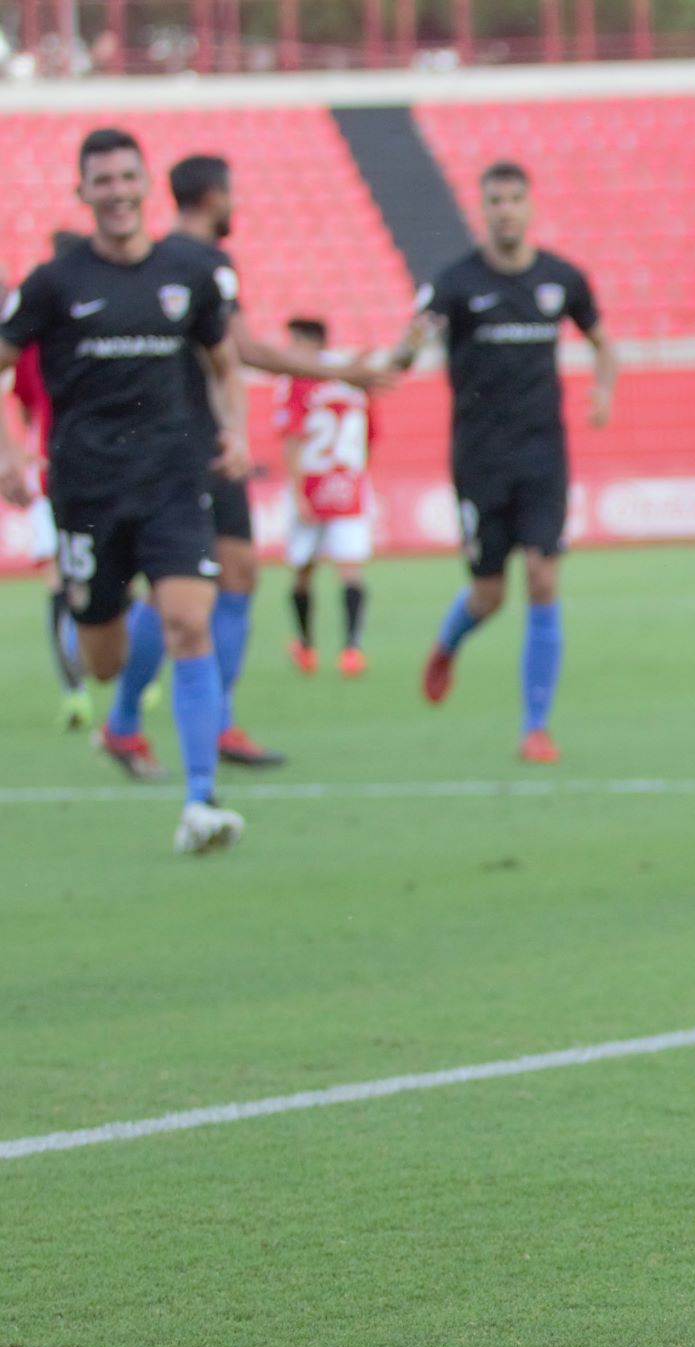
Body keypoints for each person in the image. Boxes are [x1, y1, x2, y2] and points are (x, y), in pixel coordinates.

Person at [97, 154, 397, 774]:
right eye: (231, 194)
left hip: (202, 440)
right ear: (213, 197)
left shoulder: (169, 258)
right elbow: (247, 350)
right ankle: (135, 721)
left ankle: (202, 722)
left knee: (233, 576)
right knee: (185, 587)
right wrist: (345, 371)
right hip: (181, 446)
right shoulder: (202, 262)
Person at [0, 128, 250, 853]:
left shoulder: (189, 274)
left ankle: (201, 802)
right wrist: (12, 454)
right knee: (104, 659)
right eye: (100, 181)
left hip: (174, 479)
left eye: (125, 178)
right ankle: (115, 701)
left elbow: (223, 363)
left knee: (190, 624)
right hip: (87, 490)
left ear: (146, 187)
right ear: (82, 194)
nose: (115, 192)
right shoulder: (54, 283)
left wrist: (234, 432)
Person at [391, 159, 615, 764]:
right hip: (479, 459)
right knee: (489, 594)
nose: (506, 209)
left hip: (544, 454)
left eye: (515, 198)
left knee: (543, 576)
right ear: (482, 208)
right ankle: (446, 644)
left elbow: (601, 340)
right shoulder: (457, 283)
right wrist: (404, 348)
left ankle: (534, 727)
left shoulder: (562, 278)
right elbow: (409, 343)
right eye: (495, 200)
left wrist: (604, 389)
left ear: (530, 204)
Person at [275, 317, 377, 676]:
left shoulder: (297, 379)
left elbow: (291, 436)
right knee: (350, 570)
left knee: (303, 570)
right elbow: (371, 435)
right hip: (349, 484)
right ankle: (352, 649)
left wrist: (297, 492)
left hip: (312, 485)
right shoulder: (354, 378)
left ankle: (305, 646)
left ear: (308, 341)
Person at [7, 320, 87, 730]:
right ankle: (121, 681)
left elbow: (24, 404)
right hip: (86, 475)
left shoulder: (30, 347)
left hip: (55, 471)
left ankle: (76, 692)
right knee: (115, 574)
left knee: (61, 583)